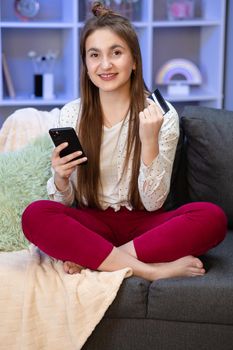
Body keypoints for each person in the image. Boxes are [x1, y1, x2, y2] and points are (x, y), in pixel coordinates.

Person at [22, 1, 227, 282]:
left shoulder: (160, 115)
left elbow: (154, 203)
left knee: (212, 217)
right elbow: (64, 201)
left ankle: (99, 258)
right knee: (35, 215)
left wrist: (149, 140)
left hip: (145, 225)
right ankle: (149, 270)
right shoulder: (71, 114)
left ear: (133, 61)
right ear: (86, 63)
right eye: (94, 55)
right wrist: (60, 178)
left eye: (116, 53)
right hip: (91, 221)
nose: (104, 65)